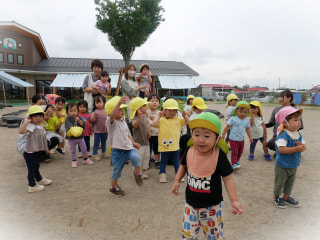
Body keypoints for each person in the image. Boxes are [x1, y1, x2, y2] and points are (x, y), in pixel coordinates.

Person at [170, 112, 243, 239]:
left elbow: (228, 179)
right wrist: (177, 180)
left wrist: (234, 201)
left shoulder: (219, 156)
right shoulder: (189, 151)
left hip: (212, 208)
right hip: (190, 206)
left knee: (213, 236)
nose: (201, 139)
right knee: (187, 236)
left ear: (217, 138)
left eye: (207, 136)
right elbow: (183, 166)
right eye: (196, 134)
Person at [105, 96, 143, 196]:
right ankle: (113, 188)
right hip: (117, 151)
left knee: (136, 158)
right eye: (119, 109)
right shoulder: (111, 122)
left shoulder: (123, 121)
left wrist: (134, 143)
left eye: (123, 109)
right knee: (117, 171)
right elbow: (112, 115)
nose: (122, 111)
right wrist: (117, 104)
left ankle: (137, 174)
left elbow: (127, 135)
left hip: (128, 148)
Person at [273, 106, 305, 208]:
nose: (299, 122)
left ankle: (286, 196)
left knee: (290, 182)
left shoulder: (297, 134)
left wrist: (302, 146)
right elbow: (281, 149)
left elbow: (303, 147)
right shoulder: (283, 135)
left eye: (299, 120)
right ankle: (276, 197)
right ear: (285, 123)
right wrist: (296, 149)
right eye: (295, 120)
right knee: (280, 182)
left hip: (294, 164)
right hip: (282, 165)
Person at [151, 99, 189, 183]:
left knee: (176, 161)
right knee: (163, 161)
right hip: (164, 145)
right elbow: (153, 124)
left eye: (174, 110)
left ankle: (179, 175)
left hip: (175, 145)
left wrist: (185, 116)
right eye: (169, 110)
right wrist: (158, 115)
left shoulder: (178, 119)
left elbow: (188, 122)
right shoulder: (161, 120)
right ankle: (162, 174)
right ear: (164, 110)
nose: (172, 112)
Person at [18, 105, 53, 193]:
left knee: (36, 167)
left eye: (40, 116)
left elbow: (43, 140)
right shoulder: (31, 126)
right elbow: (21, 131)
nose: (38, 118)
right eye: (35, 116)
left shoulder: (41, 126)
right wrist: (26, 122)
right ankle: (32, 185)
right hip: (30, 152)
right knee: (32, 169)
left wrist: (46, 150)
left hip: (36, 151)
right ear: (30, 118)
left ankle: (39, 179)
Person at [16, 95, 59, 160]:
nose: (43, 105)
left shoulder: (41, 115)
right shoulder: (29, 116)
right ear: (33, 104)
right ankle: (34, 156)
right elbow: (22, 131)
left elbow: (44, 127)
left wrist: (48, 117)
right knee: (42, 139)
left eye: (44, 103)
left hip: (35, 140)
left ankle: (42, 154)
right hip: (27, 143)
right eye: (40, 104)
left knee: (52, 139)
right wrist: (26, 122)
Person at [266, 90, 304, 155]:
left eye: (281, 97)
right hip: (278, 135)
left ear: (289, 98)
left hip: (291, 135)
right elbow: (271, 123)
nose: (279, 99)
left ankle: (290, 151)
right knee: (270, 144)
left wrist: (293, 135)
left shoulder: (295, 110)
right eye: (279, 97)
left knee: (290, 143)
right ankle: (281, 150)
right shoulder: (276, 109)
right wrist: (262, 125)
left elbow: (299, 126)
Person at [222, 101, 253, 170]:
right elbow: (227, 126)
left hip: (241, 139)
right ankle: (234, 164)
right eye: (241, 112)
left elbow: (248, 129)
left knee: (240, 152)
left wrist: (250, 137)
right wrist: (223, 134)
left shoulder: (247, 120)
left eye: (245, 112)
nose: (243, 114)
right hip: (233, 139)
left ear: (248, 112)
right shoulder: (233, 119)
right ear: (236, 111)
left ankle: (237, 161)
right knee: (235, 152)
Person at [65, 102, 93, 168]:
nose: (73, 112)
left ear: (78, 111)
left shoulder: (79, 118)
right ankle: (74, 160)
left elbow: (83, 125)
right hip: (71, 138)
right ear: (67, 112)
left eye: (75, 111)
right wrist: (72, 128)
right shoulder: (67, 119)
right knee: (73, 150)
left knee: (84, 148)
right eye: (71, 111)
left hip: (80, 137)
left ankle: (85, 159)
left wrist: (79, 121)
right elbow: (69, 126)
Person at [129, 97, 151, 179]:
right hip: (138, 143)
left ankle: (145, 171)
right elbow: (134, 125)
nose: (146, 107)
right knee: (138, 158)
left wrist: (148, 130)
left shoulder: (144, 117)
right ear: (139, 108)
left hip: (146, 142)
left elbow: (145, 125)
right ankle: (137, 172)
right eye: (144, 105)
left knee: (146, 157)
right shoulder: (134, 117)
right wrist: (139, 117)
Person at [91, 95, 108, 161]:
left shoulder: (107, 111)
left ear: (104, 102)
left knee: (104, 143)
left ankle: (103, 153)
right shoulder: (95, 112)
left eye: (100, 102)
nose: (98, 104)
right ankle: (95, 154)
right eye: (96, 103)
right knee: (96, 143)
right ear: (94, 104)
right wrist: (94, 116)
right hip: (97, 131)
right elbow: (92, 121)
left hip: (105, 131)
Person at [146, 93, 161, 169]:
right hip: (148, 134)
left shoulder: (159, 113)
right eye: (152, 101)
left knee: (157, 149)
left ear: (159, 103)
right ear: (148, 103)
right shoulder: (146, 112)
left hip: (157, 134)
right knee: (148, 148)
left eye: (156, 101)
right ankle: (147, 160)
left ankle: (157, 161)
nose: (154, 102)